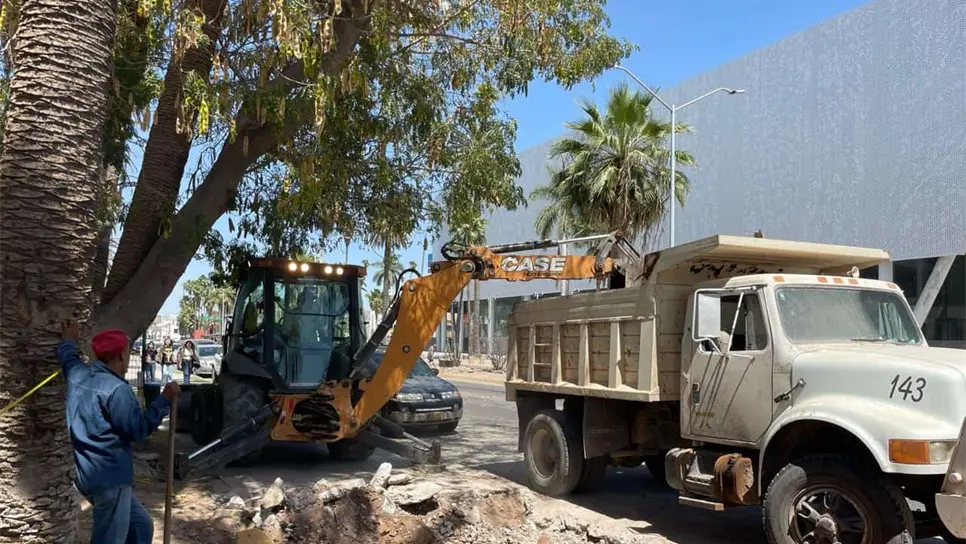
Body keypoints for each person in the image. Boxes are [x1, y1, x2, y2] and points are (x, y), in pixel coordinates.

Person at [57, 320, 180, 544]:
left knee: (141, 526)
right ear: (120, 355)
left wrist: (68, 342)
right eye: (128, 352)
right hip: (110, 479)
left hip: (89, 475)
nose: (129, 357)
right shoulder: (117, 390)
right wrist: (164, 399)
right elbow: (139, 429)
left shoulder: (78, 375)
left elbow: (68, 359)